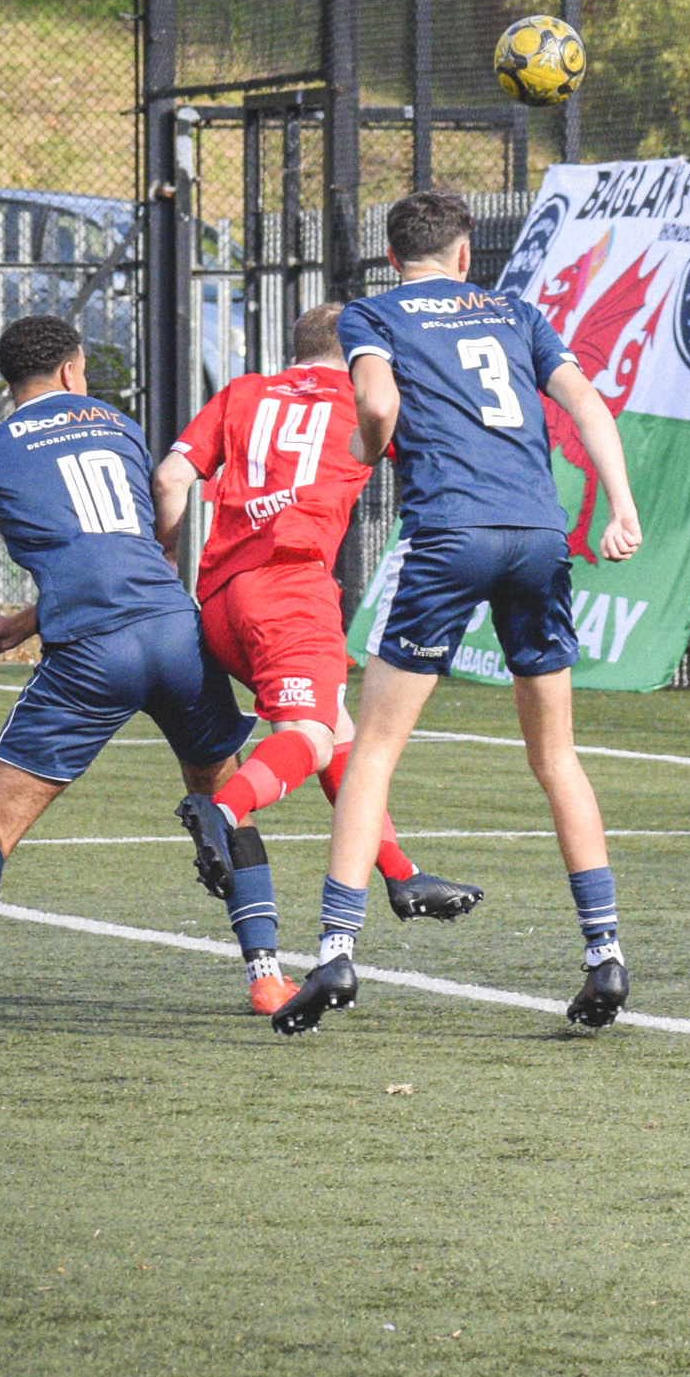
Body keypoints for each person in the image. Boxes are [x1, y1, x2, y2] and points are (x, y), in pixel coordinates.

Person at [267, 191, 644, 1036]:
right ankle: (605, 955)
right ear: (466, 255)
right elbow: (585, 403)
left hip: (451, 534)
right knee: (557, 758)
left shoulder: (372, 315)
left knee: (373, 751)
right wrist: (619, 506)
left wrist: (370, 451)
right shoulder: (515, 311)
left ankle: (334, 949)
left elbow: (375, 406)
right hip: (539, 533)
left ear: (392, 256)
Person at [0, 315, 258, 1021]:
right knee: (222, 804)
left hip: (91, 653)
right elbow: (124, 549)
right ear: (74, 371)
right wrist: (24, 622)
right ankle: (265, 970)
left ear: (13, 381)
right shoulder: (117, 425)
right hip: (175, 635)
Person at [150, 300, 486, 1015]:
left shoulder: (243, 392)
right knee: (304, 737)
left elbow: (171, 478)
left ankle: (401, 873)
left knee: (336, 733)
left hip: (221, 603)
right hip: (292, 591)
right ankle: (223, 810)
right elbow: (432, 461)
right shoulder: (362, 396)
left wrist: (164, 562)